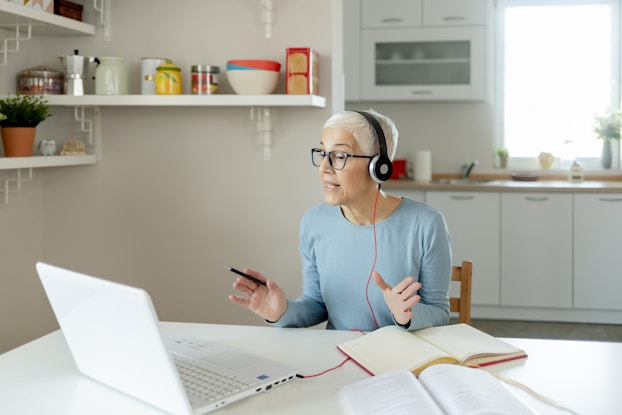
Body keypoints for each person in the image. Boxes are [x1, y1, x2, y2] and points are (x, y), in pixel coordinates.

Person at [229, 110, 452, 331]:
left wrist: (408, 315)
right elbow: (316, 305)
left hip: (401, 360)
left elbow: (439, 312)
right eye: (322, 153)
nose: (324, 168)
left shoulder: (427, 224)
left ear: (377, 167)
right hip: (339, 357)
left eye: (339, 156)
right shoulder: (313, 222)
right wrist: (282, 312)